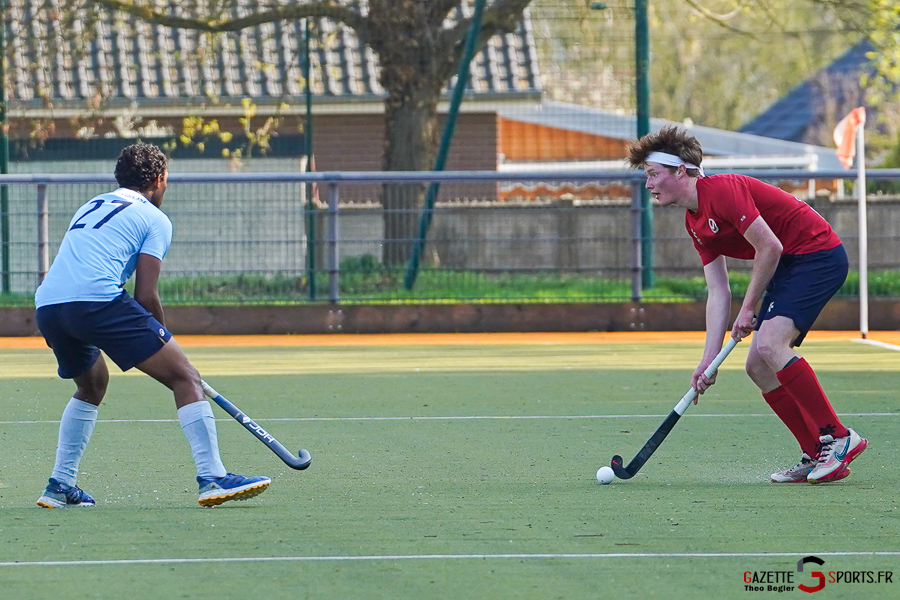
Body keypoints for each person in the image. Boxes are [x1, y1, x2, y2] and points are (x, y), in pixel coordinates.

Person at [626, 125, 867, 484]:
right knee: (757, 366)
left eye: (653, 175)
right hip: (789, 265)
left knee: (770, 343)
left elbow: (769, 247)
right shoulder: (694, 221)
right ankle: (817, 453)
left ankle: (839, 436)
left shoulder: (721, 191)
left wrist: (749, 306)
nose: (649, 185)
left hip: (818, 254)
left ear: (680, 171)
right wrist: (707, 360)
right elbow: (718, 291)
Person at [34, 143, 270, 508]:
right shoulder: (155, 219)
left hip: (49, 305)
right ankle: (213, 478)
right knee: (185, 378)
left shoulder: (92, 204)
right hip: (96, 301)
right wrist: (166, 341)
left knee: (92, 383)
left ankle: (60, 484)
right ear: (159, 180)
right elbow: (146, 294)